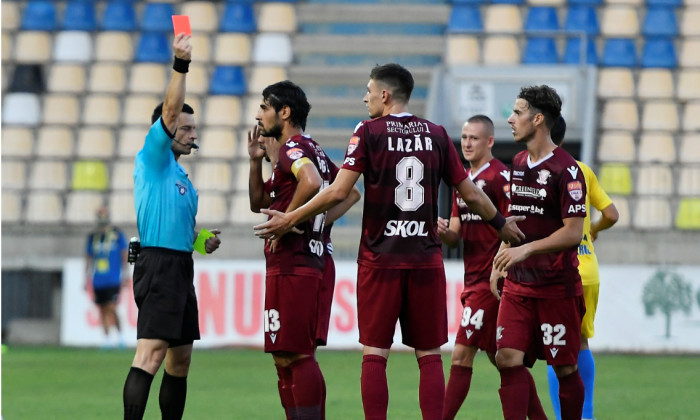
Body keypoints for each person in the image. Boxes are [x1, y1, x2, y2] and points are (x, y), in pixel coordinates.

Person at [254, 63, 525, 420]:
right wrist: (500, 223)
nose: (365, 97)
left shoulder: (368, 131)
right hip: (426, 260)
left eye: (369, 91)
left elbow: (339, 190)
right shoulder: (438, 134)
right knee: (429, 356)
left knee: (375, 354)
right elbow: (471, 194)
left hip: (380, 260)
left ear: (385, 95)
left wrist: (291, 217)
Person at [122, 33, 221, 420]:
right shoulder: (154, 157)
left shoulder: (182, 180)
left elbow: (178, 230)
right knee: (150, 354)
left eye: (194, 129)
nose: (193, 134)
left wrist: (201, 241)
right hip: (159, 267)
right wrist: (181, 64)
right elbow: (169, 111)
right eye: (186, 128)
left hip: (180, 266)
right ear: (166, 131)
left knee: (179, 361)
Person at [247, 80, 360, 420]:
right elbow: (349, 194)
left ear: (284, 112)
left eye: (265, 107)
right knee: (287, 355)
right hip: (311, 260)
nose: (258, 114)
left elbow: (310, 183)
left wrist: (291, 220)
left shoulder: (293, 149)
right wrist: (256, 163)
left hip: (295, 264)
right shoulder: (314, 150)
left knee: (295, 356)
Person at [438, 115, 547, 420]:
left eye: (474, 138)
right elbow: (455, 234)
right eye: (464, 137)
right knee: (503, 360)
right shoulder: (463, 183)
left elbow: (516, 225)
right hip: (472, 279)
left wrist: (500, 267)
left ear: (489, 142)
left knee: (460, 355)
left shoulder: (501, 177)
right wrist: (442, 230)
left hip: (492, 281)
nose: (467, 143)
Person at [491, 85, 587, 420]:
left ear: (538, 118)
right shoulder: (517, 162)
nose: (510, 119)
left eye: (517, 113)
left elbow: (574, 232)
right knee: (506, 358)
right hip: (518, 285)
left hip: (555, 286)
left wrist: (527, 250)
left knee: (564, 368)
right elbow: (517, 221)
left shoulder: (567, 170)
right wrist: (501, 258)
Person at [546, 116, 619, 420]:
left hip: (560, 270)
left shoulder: (542, 171)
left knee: (555, 348)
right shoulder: (582, 169)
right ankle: (585, 415)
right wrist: (595, 231)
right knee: (581, 343)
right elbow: (612, 214)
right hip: (589, 268)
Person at [85, 205, 128, 349]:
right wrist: (86, 278)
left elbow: (124, 255)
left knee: (111, 307)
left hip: (113, 278)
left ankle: (121, 336)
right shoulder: (93, 238)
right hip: (98, 280)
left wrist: (126, 274)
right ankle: (107, 339)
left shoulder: (117, 236)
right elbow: (89, 259)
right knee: (102, 309)